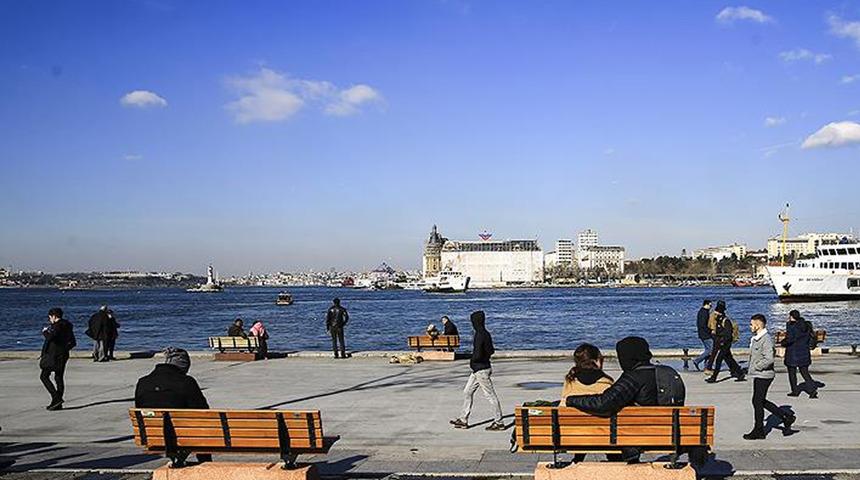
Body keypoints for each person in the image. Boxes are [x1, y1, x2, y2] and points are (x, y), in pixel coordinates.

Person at [135, 348, 211, 464]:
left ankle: (178, 461)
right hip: (183, 435)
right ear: (183, 366)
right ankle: (206, 464)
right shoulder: (186, 382)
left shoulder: (143, 382)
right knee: (201, 427)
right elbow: (203, 411)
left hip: (153, 436)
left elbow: (139, 407)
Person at [450, 311, 505, 431]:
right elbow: (491, 351)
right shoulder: (486, 334)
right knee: (467, 392)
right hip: (478, 369)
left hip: (481, 370)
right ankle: (463, 419)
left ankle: (499, 421)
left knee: (490, 396)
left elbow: (478, 354)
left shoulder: (479, 335)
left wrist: (474, 359)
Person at [561, 343, 614, 463]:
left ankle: (577, 459)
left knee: (581, 423)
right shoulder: (606, 382)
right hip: (603, 435)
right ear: (596, 360)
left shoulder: (570, 380)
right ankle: (614, 458)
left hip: (574, 434)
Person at [744, 314, 795, 440]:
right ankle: (785, 417)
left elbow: (769, 358)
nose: (750, 326)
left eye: (751, 324)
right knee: (759, 401)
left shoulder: (765, 339)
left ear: (758, 324)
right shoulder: (756, 338)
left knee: (757, 401)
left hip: (764, 375)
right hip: (759, 374)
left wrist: (757, 366)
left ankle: (759, 430)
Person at [39, 307, 76, 411]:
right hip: (63, 355)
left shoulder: (57, 326)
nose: (49, 319)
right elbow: (73, 342)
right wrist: (64, 349)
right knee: (58, 377)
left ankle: (56, 398)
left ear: (54, 316)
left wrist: (45, 332)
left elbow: (51, 338)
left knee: (44, 376)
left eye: (50, 317)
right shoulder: (68, 326)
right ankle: (57, 403)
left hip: (53, 355)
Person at [706, 301, 745, 383]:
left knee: (719, 360)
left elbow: (728, 334)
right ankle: (740, 373)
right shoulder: (719, 320)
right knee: (729, 359)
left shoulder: (725, 321)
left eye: (716, 312)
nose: (714, 313)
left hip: (725, 344)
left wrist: (722, 341)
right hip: (722, 342)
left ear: (719, 313)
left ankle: (714, 377)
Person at [782, 310, 819, 398]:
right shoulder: (806, 325)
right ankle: (812, 391)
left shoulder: (791, 326)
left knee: (792, 373)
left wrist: (783, 343)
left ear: (792, 317)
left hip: (793, 353)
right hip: (804, 352)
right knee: (805, 373)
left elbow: (790, 339)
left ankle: (795, 391)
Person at [692, 300, 713, 371]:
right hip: (705, 334)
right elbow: (703, 325)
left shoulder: (702, 311)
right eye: (710, 305)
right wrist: (710, 331)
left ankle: (707, 367)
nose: (711, 307)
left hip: (702, 333)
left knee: (708, 350)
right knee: (711, 350)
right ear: (706, 305)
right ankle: (697, 360)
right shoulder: (704, 313)